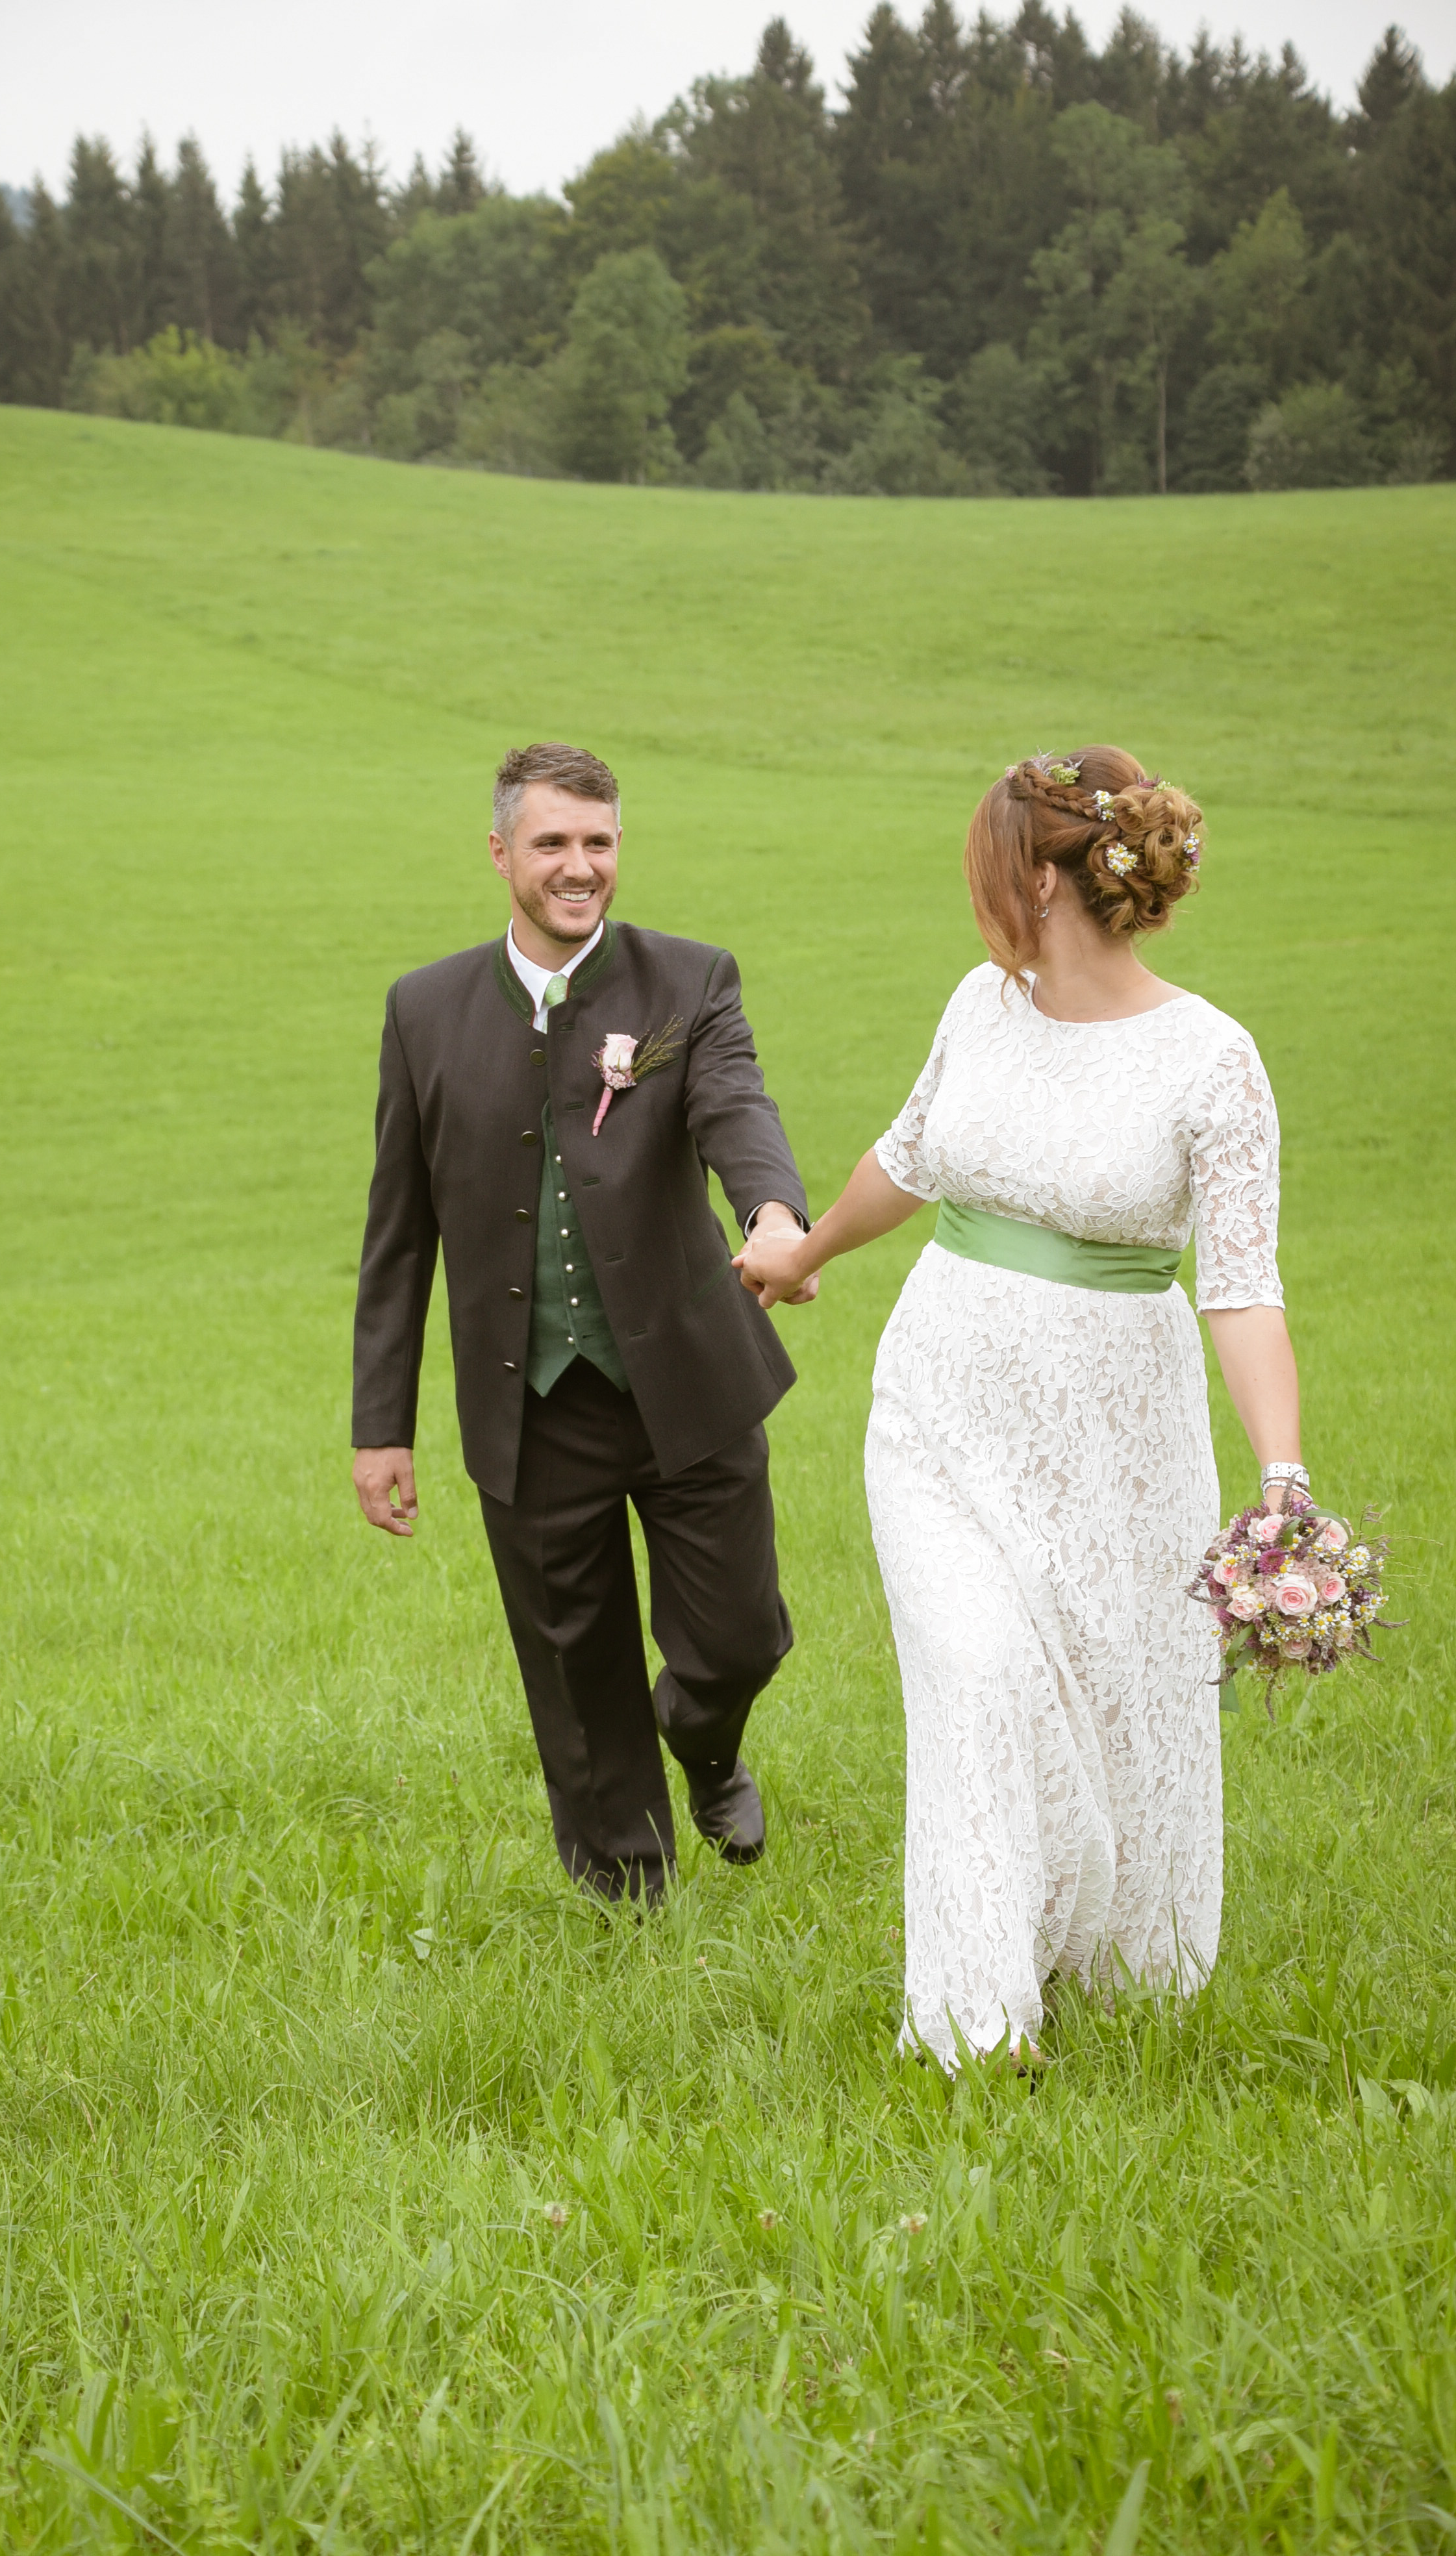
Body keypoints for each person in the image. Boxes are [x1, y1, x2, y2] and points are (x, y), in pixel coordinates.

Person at [734, 748, 1301, 2066]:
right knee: (978, 1676)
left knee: (1114, 1697)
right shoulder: (980, 1006)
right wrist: (806, 1250)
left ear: (1047, 880)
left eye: (992, 872)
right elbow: (911, 1154)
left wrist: (1283, 1480)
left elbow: (1242, 1288)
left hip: (1120, 1435)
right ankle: (976, 2030)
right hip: (939, 1407)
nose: (979, 897)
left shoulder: (1212, 1062)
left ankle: (1107, 1968)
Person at [352, 740, 814, 1901]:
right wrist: (381, 1427)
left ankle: (705, 1742)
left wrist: (772, 1216)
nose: (579, 866)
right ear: (500, 851)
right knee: (574, 1665)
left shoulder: (689, 981)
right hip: (530, 1400)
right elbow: (399, 1233)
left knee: (739, 1640)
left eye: (599, 843)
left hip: (690, 1380)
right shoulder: (423, 1010)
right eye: (552, 842)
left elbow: (736, 1107)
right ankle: (629, 1907)